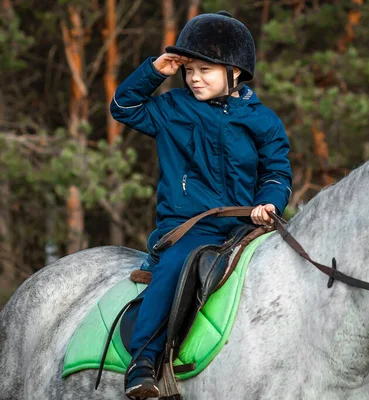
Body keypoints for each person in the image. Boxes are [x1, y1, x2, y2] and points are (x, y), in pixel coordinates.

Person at [110, 11, 292, 398]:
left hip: (248, 226)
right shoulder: (171, 108)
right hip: (190, 227)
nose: (193, 77)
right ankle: (143, 361)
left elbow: (276, 173)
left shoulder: (264, 121)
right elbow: (123, 107)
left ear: (236, 72)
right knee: (178, 266)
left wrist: (269, 203)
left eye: (205, 69)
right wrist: (155, 71)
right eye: (189, 69)